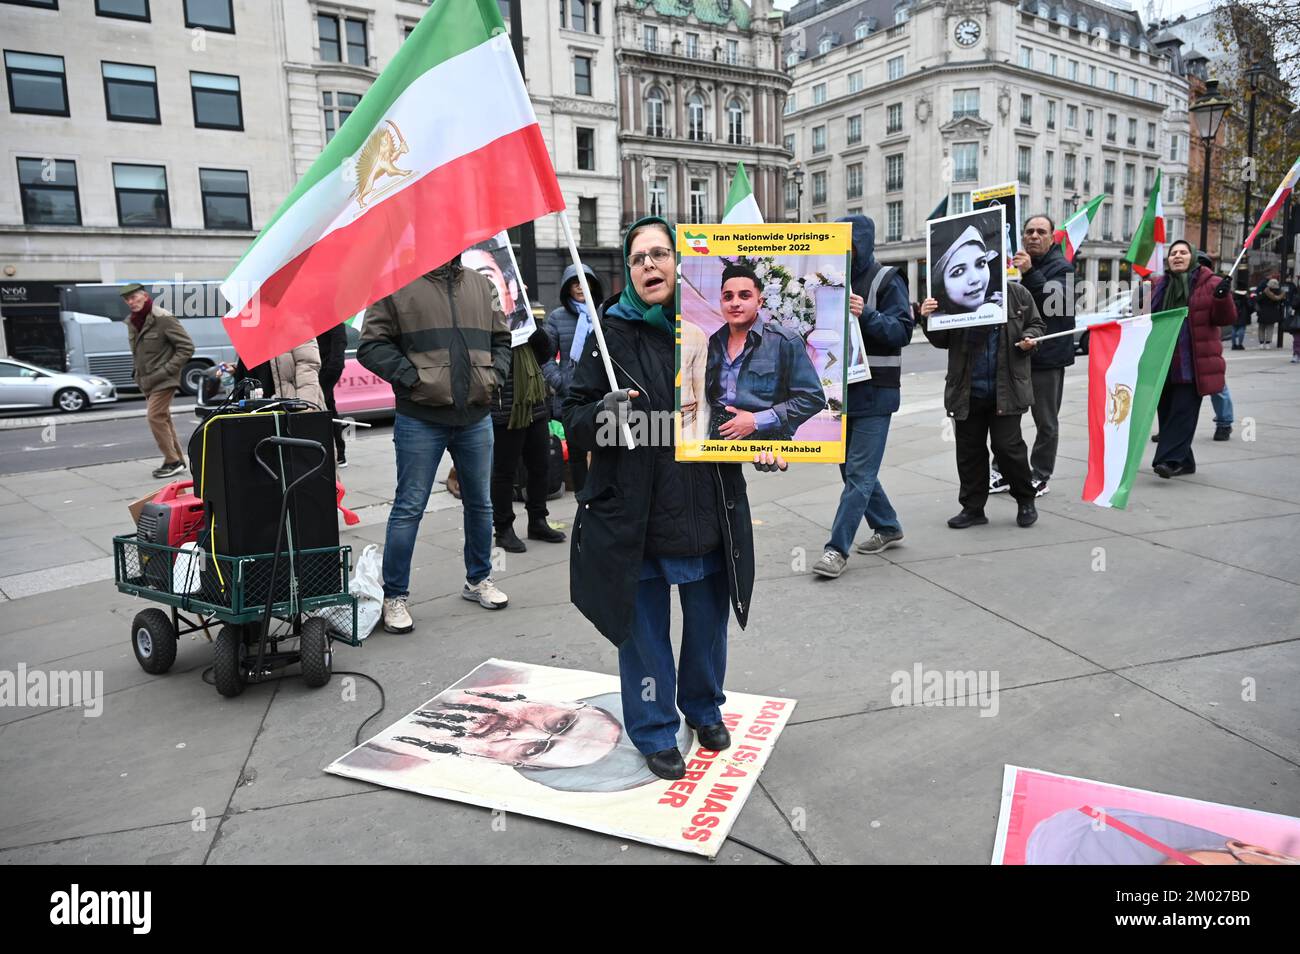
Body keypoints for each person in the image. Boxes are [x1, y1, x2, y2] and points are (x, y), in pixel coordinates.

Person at [562, 215, 785, 781]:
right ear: (628, 269)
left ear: (679, 262)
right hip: (633, 510)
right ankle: (656, 730)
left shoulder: (712, 324)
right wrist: (601, 415)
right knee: (644, 631)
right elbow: (568, 415)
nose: (649, 266)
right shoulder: (607, 333)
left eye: (659, 254)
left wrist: (770, 443)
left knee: (708, 619)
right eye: (638, 259)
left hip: (706, 499)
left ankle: (704, 708)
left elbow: (751, 404)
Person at [358, 255, 512, 632]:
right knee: (409, 506)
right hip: (420, 416)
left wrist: (494, 377)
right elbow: (371, 346)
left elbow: (502, 339)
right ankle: (395, 595)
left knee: (480, 504)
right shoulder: (394, 284)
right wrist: (414, 380)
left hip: (474, 414)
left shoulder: (482, 284)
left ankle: (478, 580)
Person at [813, 215, 912, 579]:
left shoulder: (888, 279)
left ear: (864, 244)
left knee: (858, 472)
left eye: (849, 245)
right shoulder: (828, 279)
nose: (843, 252)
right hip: (840, 392)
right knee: (853, 470)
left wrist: (865, 313)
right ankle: (887, 525)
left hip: (877, 394)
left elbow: (902, 330)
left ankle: (835, 550)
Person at [917, 283, 1044, 529]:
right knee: (969, 451)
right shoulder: (951, 294)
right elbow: (941, 339)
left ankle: (1025, 500)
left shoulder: (1018, 294)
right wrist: (927, 318)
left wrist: (1031, 339)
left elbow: (1036, 324)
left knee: (1008, 447)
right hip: (967, 390)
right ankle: (973, 508)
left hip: (1006, 389)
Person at [704, 262, 825, 440]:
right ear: (721, 302)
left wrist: (755, 420)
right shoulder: (714, 341)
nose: (735, 303)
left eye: (744, 296)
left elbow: (812, 398)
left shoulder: (784, 341)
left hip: (766, 436)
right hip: (719, 435)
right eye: (728, 297)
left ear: (759, 302)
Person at [1150, 240, 1235, 478]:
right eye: (1173, 253)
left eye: (1183, 252)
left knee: (1182, 413)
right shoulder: (1157, 284)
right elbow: (1141, 317)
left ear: (1193, 258)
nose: (1177, 256)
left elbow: (1225, 318)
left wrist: (1222, 298)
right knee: (1166, 412)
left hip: (1192, 364)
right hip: (1163, 361)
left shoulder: (1211, 283)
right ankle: (1186, 462)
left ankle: (1168, 460)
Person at [1012, 214, 1075, 497]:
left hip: (1047, 359)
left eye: (1040, 232)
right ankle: (1004, 470)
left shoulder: (1062, 268)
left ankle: (1040, 474)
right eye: (1029, 232)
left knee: (1045, 422)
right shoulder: (1017, 266)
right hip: (1016, 356)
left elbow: (1056, 301)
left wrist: (1029, 273)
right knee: (1006, 418)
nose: (1034, 236)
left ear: (1052, 238)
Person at [491, 325, 566, 553]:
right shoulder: (489, 321)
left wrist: (531, 327)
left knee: (540, 466)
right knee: (505, 472)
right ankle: (503, 529)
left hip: (536, 404)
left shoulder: (525, 320)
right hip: (506, 409)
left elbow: (546, 352)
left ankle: (538, 520)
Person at [542, 263, 605, 494]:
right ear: (567, 288)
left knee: (603, 449)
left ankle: (600, 497)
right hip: (571, 396)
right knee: (577, 453)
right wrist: (559, 382)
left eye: (584, 280)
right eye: (574, 282)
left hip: (601, 394)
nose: (580, 286)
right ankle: (582, 499)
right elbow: (544, 356)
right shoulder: (557, 318)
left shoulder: (603, 313)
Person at [122, 282, 195, 479]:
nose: (131, 302)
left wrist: (167, 370)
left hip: (164, 379)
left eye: (134, 297)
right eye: (127, 299)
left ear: (145, 296)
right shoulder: (132, 321)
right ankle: (178, 460)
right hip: (146, 380)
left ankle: (171, 461)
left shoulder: (163, 318)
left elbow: (187, 347)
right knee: (163, 418)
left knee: (154, 416)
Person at [929, 221, 1004, 317]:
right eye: (958, 272)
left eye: (981, 263)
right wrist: (925, 317)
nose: (975, 279)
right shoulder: (937, 321)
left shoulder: (1005, 303)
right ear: (941, 284)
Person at [316, 322, 348, 466]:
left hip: (327, 371)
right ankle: (339, 453)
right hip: (317, 371)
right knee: (330, 409)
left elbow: (338, 351)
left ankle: (337, 453)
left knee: (322, 409)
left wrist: (330, 373)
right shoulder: (316, 319)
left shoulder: (334, 321)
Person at [1254, 277, 1283, 347]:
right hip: (1273, 312)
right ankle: (1268, 343)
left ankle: (1261, 343)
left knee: (1261, 328)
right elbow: (1280, 302)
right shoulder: (1279, 293)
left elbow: (1257, 299)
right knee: (1270, 328)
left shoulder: (1265, 292)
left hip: (1263, 312)